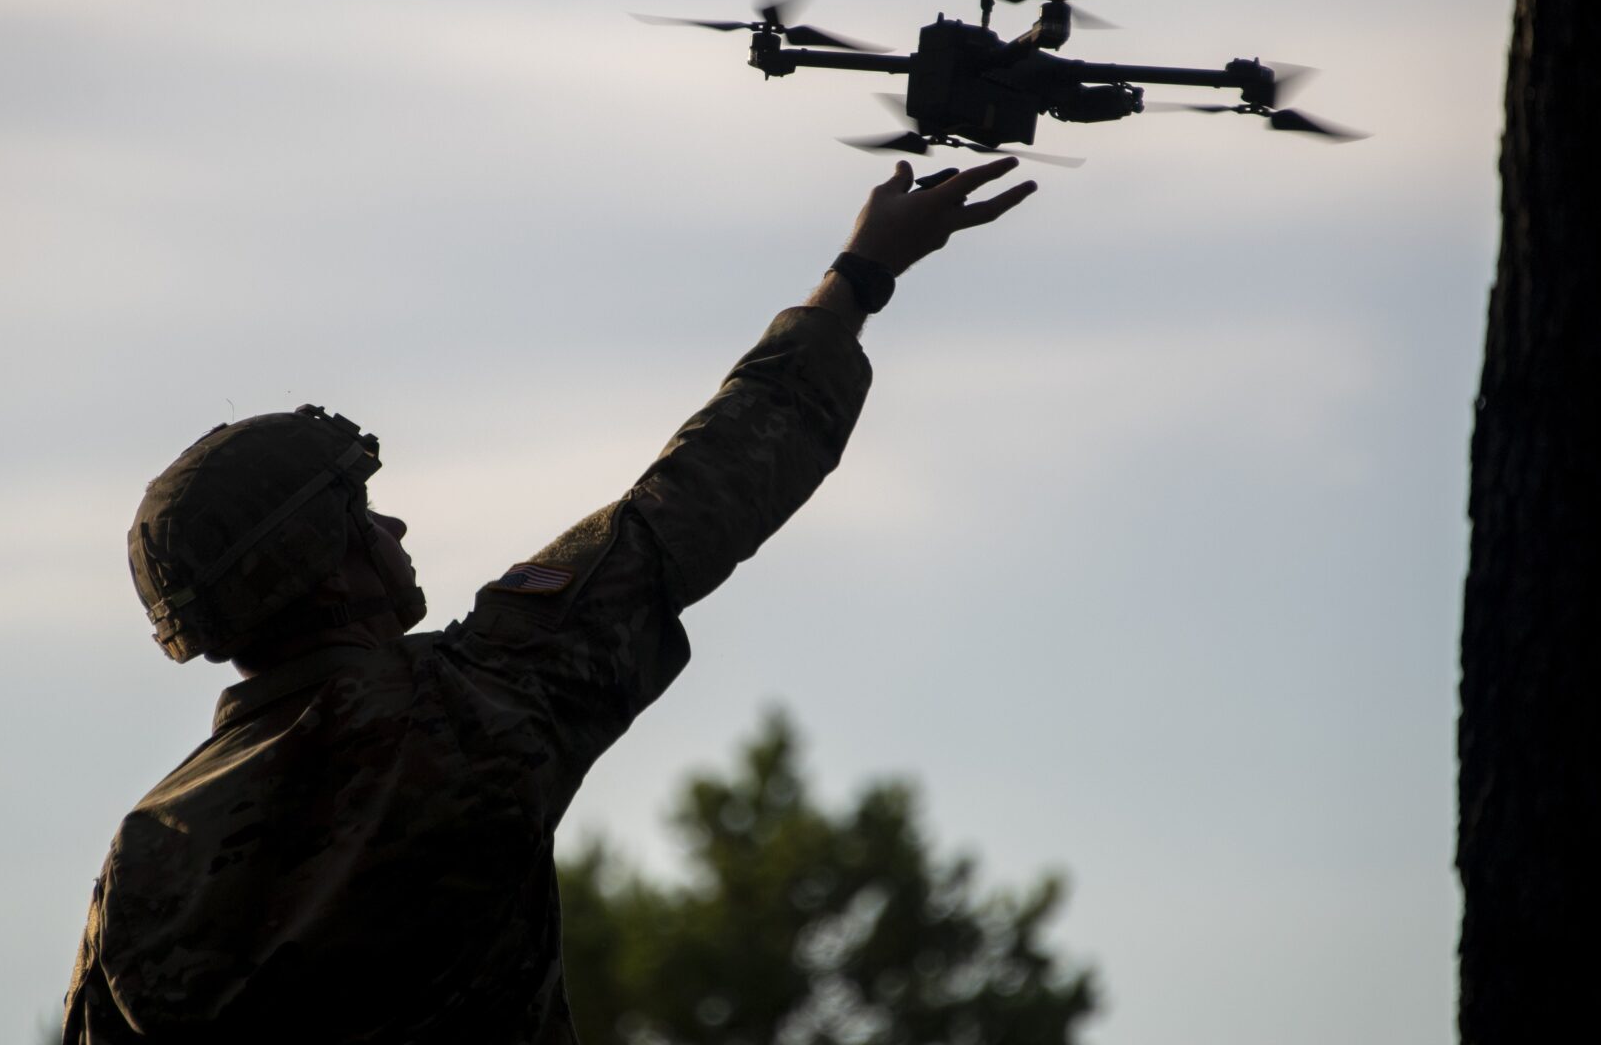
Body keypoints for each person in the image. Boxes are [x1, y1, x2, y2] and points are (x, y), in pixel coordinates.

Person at [60, 157, 1039, 1044]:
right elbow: (692, 502)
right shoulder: (472, 705)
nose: (393, 530)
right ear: (321, 564)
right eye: (362, 512)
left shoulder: (144, 854)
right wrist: (859, 275)